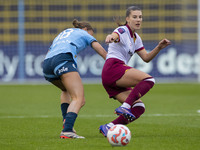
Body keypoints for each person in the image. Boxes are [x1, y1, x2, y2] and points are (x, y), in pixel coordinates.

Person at [99, 6, 171, 137]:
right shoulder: (122, 30)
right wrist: (111, 37)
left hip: (112, 77)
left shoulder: (136, 38)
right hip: (113, 67)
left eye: (140, 17)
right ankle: (125, 107)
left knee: (139, 108)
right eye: (135, 17)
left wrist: (159, 47)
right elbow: (115, 35)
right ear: (127, 19)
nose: (138, 20)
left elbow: (146, 58)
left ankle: (108, 127)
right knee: (149, 80)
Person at [42, 19, 107, 139]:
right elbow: (98, 47)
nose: (90, 37)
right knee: (79, 98)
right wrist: (110, 61)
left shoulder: (64, 33)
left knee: (66, 90)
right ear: (86, 30)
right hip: (63, 59)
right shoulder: (83, 33)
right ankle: (67, 131)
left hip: (47, 64)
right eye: (91, 34)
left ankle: (66, 124)